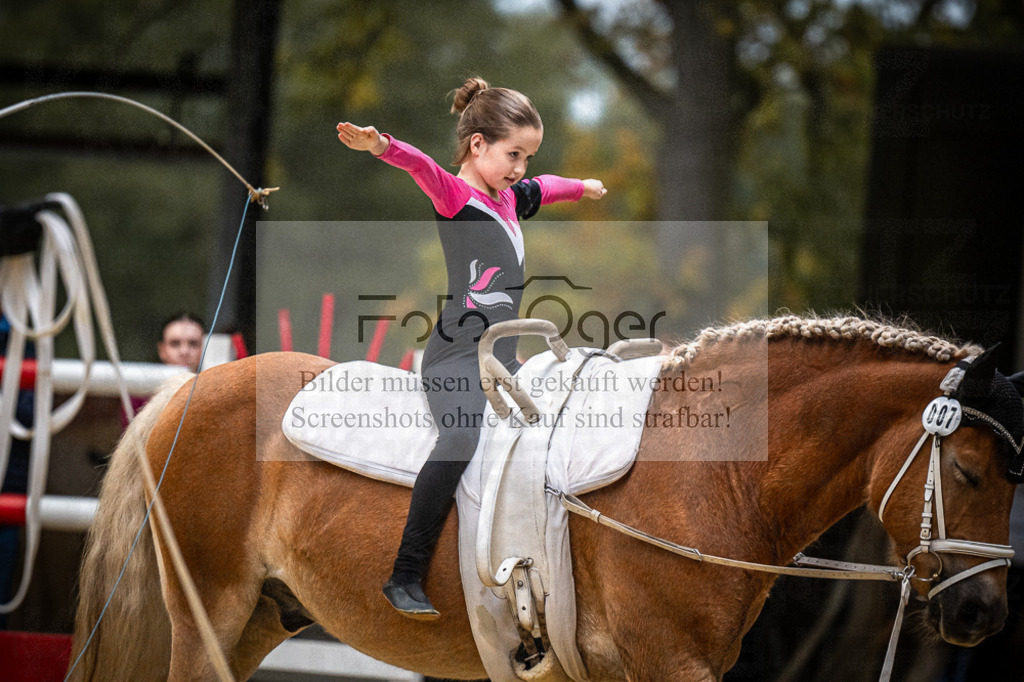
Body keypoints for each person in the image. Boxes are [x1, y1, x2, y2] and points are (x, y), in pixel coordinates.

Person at [337, 77, 607, 620]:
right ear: (478, 145)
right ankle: (406, 572)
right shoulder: (456, 196)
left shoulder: (510, 197)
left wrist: (580, 186)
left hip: (502, 357)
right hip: (456, 355)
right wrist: (382, 146)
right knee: (461, 435)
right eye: (513, 154)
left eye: (527, 157)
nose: (520, 169)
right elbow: (422, 167)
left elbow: (546, 187)